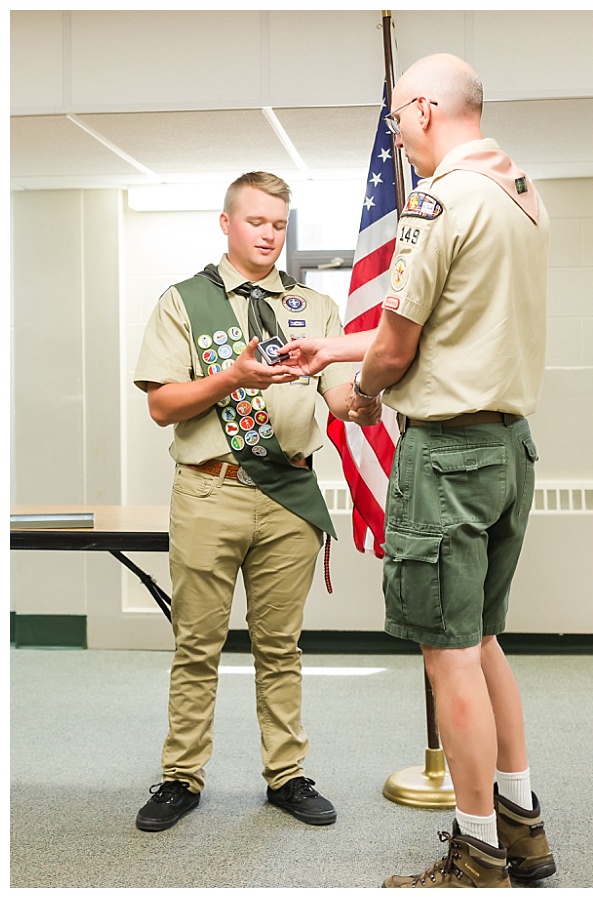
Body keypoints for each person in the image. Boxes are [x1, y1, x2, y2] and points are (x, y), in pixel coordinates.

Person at [279, 54, 555, 889]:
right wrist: (332, 346)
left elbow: (400, 347)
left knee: (449, 656)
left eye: (397, 116)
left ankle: (476, 856)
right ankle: (523, 829)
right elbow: (447, 322)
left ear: (427, 110)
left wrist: (359, 391)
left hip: (449, 456)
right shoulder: (521, 194)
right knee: (484, 641)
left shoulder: (438, 202)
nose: (396, 133)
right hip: (507, 447)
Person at [132, 171, 370, 832]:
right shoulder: (185, 301)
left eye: (279, 225)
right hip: (211, 490)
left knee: (280, 648)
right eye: (256, 221)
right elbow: (162, 405)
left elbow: (339, 399)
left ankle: (286, 776)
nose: (269, 235)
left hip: (289, 495)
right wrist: (233, 375)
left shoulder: (314, 307)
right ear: (226, 223)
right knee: (197, 646)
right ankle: (181, 777)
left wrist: (368, 396)